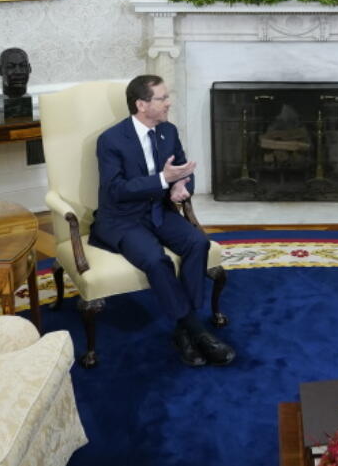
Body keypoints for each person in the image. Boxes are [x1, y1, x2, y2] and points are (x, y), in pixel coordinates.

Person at [89, 75, 236, 367]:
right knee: (157, 261)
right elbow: (115, 190)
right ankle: (197, 331)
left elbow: (182, 170)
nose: (169, 103)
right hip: (123, 219)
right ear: (142, 104)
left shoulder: (168, 130)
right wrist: (162, 180)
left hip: (158, 210)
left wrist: (182, 186)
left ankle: (183, 330)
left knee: (197, 243)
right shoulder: (111, 140)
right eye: (162, 98)